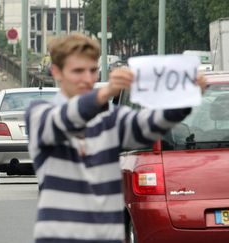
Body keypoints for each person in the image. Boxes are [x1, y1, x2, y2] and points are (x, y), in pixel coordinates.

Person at [25, 33, 207, 243]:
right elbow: (66, 119)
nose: (88, 78)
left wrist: (185, 99)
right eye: (78, 71)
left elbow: (147, 126)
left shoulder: (110, 119)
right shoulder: (40, 114)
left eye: (93, 70)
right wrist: (105, 93)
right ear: (56, 72)